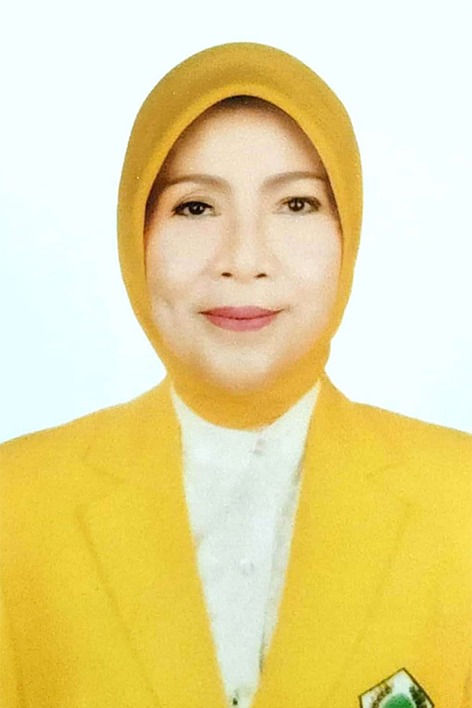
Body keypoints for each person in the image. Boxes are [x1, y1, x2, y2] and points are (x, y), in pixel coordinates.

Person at [0, 42, 470, 708]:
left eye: (297, 204)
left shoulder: (460, 499)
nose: (244, 259)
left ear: (349, 231)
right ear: (136, 234)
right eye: (195, 207)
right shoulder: (16, 503)